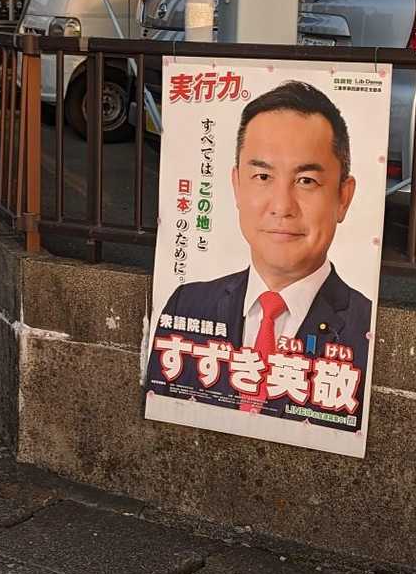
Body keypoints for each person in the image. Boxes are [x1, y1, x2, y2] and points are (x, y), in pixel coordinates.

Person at [148, 81, 374, 430]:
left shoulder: (366, 329)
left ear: (343, 197)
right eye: (263, 176)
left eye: (306, 181)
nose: (282, 206)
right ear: (237, 185)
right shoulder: (187, 304)